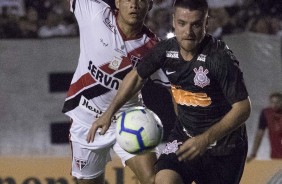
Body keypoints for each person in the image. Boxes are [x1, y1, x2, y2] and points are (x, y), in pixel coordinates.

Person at [86, 0, 252, 183]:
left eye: (196, 24)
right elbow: (136, 76)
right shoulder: (166, 50)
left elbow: (243, 108)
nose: (188, 32)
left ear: (206, 23)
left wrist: (204, 140)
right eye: (182, 23)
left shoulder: (219, 58)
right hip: (185, 138)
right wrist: (109, 113)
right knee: (164, 180)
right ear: (173, 21)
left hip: (224, 149)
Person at [62, 0, 169, 183]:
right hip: (87, 120)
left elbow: (177, 89)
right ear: (117, 2)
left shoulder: (153, 48)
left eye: (141, 0)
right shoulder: (94, 12)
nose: (134, 4)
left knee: (154, 180)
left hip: (129, 119)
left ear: (150, 5)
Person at [247, 92, 282, 161]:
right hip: (275, 155)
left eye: (277, 102)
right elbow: (259, 134)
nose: (274, 105)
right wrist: (253, 153)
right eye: (272, 102)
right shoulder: (266, 113)